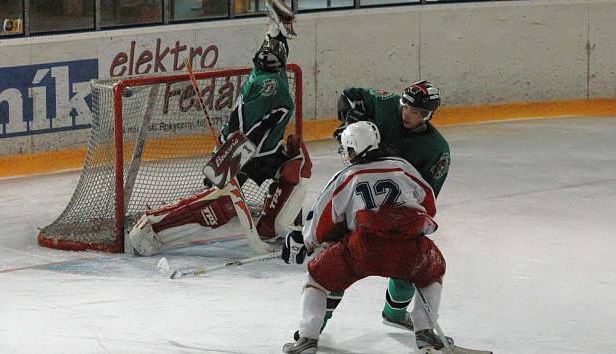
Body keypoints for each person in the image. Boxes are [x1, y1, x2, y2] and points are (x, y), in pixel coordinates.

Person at [128, 0, 311, 256]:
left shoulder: (258, 71)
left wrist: (274, 26)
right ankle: (152, 228)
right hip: (247, 153)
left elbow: (273, 48)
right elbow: (255, 131)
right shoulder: (275, 89)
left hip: (241, 148)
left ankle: (269, 226)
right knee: (221, 203)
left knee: (282, 172)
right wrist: (227, 161)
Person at [281, 121, 451, 354]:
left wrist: (307, 242)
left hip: (362, 249)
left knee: (316, 278)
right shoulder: (402, 167)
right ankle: (425, 333)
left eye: (347, 149)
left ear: (353, 149)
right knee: (432, 271)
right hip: (409, 248)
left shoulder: (347, 176)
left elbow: (321, 219)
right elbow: (428, 204)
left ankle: (308, 339)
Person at [322, 81, 451, 331]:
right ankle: (316, 326)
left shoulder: (437, 149)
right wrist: (350, 119)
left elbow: (426, 199)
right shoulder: (386, 105)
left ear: (429, 115)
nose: (407, 115)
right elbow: (350, 95)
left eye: (416, 113)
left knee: (407, 264)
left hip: (396, 216)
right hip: (359, 203)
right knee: (338, 265)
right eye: (406, 108)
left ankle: (394, 313)